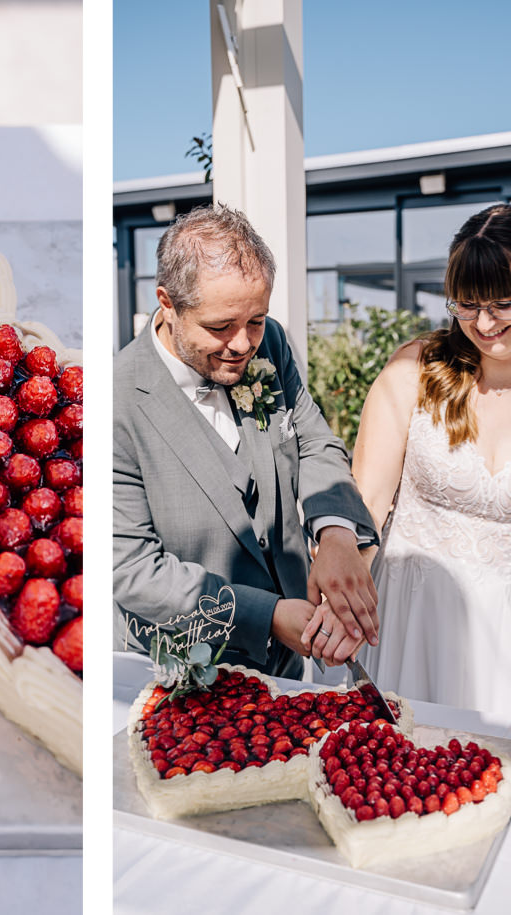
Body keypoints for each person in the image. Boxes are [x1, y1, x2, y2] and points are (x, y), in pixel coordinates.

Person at [114, 204, 379, 678]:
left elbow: (314, 440)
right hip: (178, 672)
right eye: (220, 327)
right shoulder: (114, 400)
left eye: (256, 319)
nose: (243, 344)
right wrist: (270, 617)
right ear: (167, 303)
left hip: (288, 664)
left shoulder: (269, 343)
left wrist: (336, 534)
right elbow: (134, 571)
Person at [355, 204, 511, 719]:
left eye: (503, 303)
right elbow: (366, 505)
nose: (484, 324)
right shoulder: (414, 369)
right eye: (467, 306)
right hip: (406, 619)